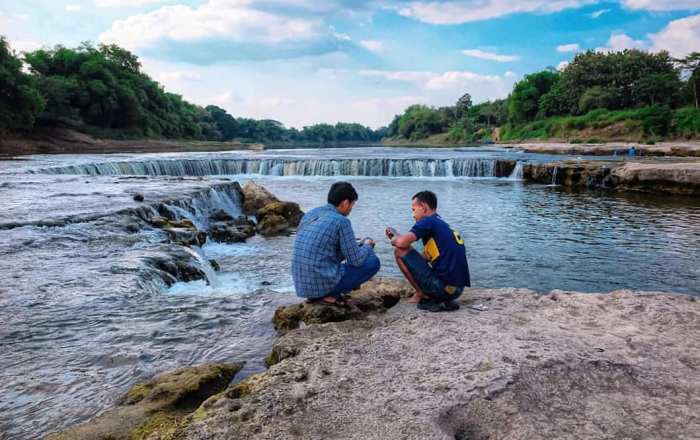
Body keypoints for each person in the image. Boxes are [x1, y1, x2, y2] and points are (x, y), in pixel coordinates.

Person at [292, 182, 380, 305]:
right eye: (352, 205)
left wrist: (353, 243)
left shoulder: (311, 214)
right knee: (372, 261)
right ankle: (330, 294)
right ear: (345, 203)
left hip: (302, 286)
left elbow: (323, 246)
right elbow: (356, 261)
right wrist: (367, 245)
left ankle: (321, 295)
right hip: (322, 284)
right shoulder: (342, 221)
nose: (351, 209)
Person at [386, 190, 470, 312]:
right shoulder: (441, 224)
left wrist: (394, 237)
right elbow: (424, 259)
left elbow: (402, 243)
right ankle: (428, 293)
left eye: (414, 210)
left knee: (399, 251)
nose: (413, 215)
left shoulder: (427, 221)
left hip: (443, 290)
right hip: (457, 290)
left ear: (424, 208)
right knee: (406, 251)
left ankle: (421, 293)